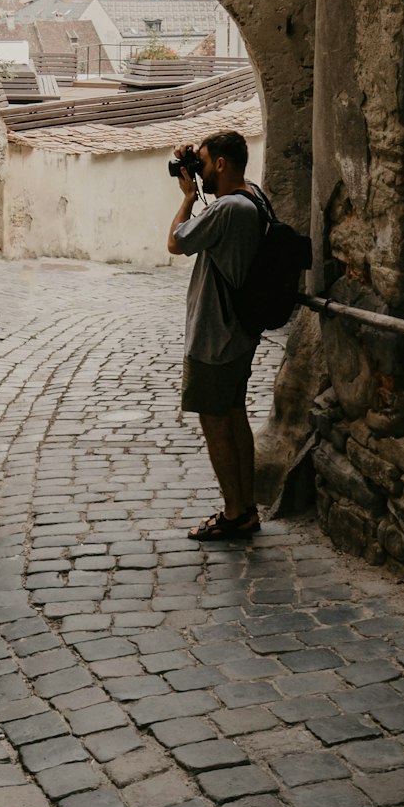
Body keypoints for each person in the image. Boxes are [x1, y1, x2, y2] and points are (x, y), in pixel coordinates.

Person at [168, 128, 267, 540]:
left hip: (216, 336)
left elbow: (176, 242)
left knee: (216, 423)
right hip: (238, 333)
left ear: (222, 165)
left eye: (205, 164)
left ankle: (233, 513)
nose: (200, 172)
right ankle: (246, 507)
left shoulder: (227, 209)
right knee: (234, 415)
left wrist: (189, 196)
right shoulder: (254, 197)